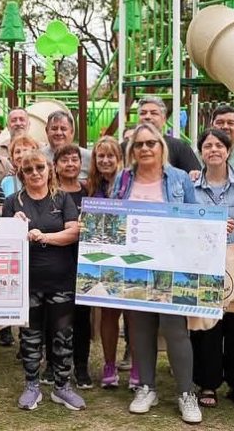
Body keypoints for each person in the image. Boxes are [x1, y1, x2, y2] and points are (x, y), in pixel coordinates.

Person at [112, 123, 202, 424]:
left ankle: (186, 393)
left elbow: (195, 215)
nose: (146, 148)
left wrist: (215, 226)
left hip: (171, 265)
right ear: (132, 151)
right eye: (139, 145)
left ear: (161, 147)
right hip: (134, 265)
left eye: (151, 143)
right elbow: (112, 215)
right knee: (139, 328)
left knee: (175, 329)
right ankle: (146, 387)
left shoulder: (177, 178)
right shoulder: (123, 179)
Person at [3, 148, 85, 411]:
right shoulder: (12, 201)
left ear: (49, 169)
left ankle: (62, 387)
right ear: (21, 174)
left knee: (62, 335)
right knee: (30, 336)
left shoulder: (61, 198)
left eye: (40, 167)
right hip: (27, 281)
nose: (35, 173)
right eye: (28, 169)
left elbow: (74, 232)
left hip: (61, 279)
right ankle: (32, 386)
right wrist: (14, 226)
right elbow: (2, 241)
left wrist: (43, 237)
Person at [190, 129, 234, 411]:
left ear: (229, 150)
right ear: (201, 152)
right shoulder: (190, 188)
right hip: (203, 266)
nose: (214, 150)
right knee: (206, 327)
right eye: (207, 145)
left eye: (219, 145)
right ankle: (207, 382)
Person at [86, 136, 130, 388]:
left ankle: (136, 367)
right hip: (104, 260)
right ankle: (109, 365)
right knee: (109, 314)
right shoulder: (92, 186)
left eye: (110, 155)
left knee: (134, 317)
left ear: (119, 158)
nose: (105, 160)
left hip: (131, 256)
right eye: (100, 156)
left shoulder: (130, 182)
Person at [52, 144, 93, 389]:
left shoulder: (90, 190)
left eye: (74, 159)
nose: (70, 164)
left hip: (84, 264)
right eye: (64, 160)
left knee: (81, 319)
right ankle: (53, 365)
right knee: (55, 317)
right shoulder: (50, 193)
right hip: (57, 263)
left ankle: (81, 367)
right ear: (55, 165)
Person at [134, 96, 201, 174]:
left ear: (164, 119)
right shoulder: (126, 146)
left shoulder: (179, 147)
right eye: (143, 113)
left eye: (154, 113)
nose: (147, 117)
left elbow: (195, 178)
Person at [41, 111, 92, 182]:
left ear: (72, 132)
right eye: (54, 129)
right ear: (47, 131)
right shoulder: (39, 156)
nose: (58, 133)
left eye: (63, 129)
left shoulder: (89, 157)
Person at [0, 135, 39, 201]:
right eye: (17, 152)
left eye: (25, 150)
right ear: (12, 157)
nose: (21, 155)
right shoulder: (6, 182)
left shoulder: (41, 178)